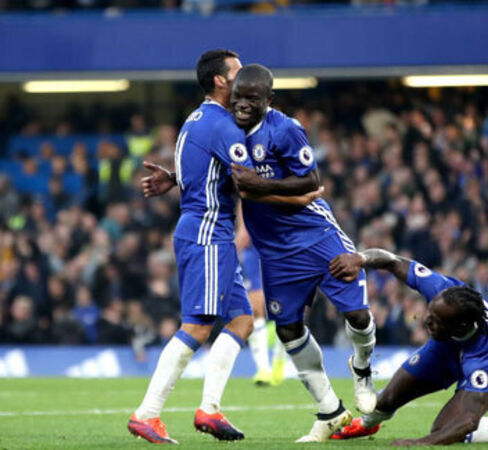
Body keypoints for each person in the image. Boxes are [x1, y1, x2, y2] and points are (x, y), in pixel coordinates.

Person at [132, 50, 318, 444]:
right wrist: (297, 197)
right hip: (207, 232)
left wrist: (174, 178)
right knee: (198, 326)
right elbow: (247, 184)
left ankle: (209, 410)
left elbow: (206, 169)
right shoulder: (224, 125)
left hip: (209, 230)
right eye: (237, 72)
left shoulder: (199, 118)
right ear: (220, 80)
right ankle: (147, 414)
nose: (244, 77)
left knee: (242, 320)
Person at [230, 64, 378, 442]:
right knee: (288, 328)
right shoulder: (226, 129)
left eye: (252, 98)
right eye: (238, 97)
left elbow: (311, 181)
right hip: (275, 251)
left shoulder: (285, 129)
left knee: (358, 315)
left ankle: (362, 370)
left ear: (269, 100)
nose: (243, 104)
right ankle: (329, 410)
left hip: (316, 235)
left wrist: (261, 185)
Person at [327, 249, 488, 445]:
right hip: (447, 346)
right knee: (386, 400)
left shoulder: (486, 347)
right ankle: (366, 424)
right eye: (429, 312)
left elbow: (469, 419)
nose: (425, 320)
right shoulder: (440, 289)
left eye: (436, 321)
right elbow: (392, 261)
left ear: (459, 326)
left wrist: (422, 443)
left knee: (448, 431)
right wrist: (360, 258)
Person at [235, 223, 285, 387]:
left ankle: (277, 361)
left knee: (283, 307)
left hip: (275, 241)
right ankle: (265, 368)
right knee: (258, 308)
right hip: (258, 245)